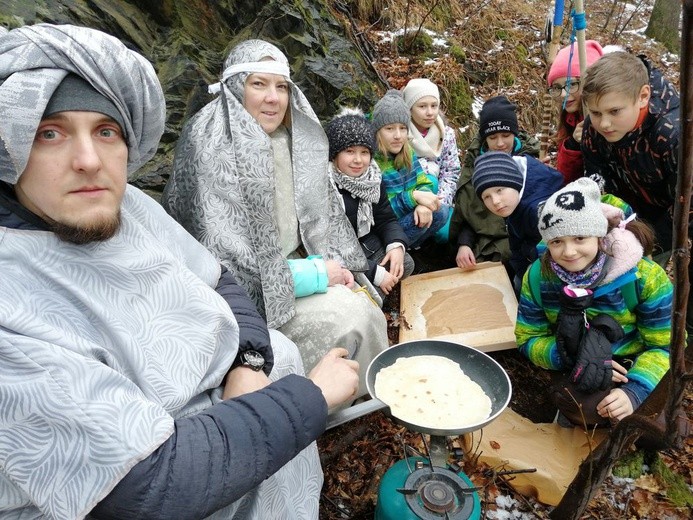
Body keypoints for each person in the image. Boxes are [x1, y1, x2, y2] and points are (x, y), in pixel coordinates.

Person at [0, 24, 360, 520]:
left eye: (106, 132)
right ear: (11, 145)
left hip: (251, 410)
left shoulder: (128, 207)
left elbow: (216, 279)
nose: (88, 161)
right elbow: (144, 488)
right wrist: (309, 399)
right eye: (51, 133)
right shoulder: (11, 305)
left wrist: (251, 362)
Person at [162, 39, 388, 385]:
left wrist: (341, 269)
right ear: (236, 87)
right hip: (251, 304)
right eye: (259, 84)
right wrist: (317, 274)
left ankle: (360, 397)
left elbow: (318, 221)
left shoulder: (292, 140)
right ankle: (324, 402)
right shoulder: (208, 147)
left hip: (300, 266)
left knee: (367, 303)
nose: (273, 97)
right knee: (352, 318)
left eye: (281, 86)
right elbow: (227, 266)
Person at [515, 178, 671, 427]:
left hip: (632, 361)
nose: (569, 252)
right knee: (587, 410)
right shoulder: (537, 277)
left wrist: (635, 391)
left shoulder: (645, 277)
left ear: (599, 236)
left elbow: (665, 345)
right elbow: (528, 337)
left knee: (652, 428)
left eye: (579, 238)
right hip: (572, 361)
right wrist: (569, 355)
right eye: (557, 241)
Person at [579, 50, 691, 333]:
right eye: (595, 113)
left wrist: (651, 244)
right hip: (629, 204)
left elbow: (685, 207)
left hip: (674, 211)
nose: (604, 123)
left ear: (642, 96)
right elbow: (596, 180)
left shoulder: (674, 135)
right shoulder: (598, 130)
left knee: (655, 274)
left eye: (614, 112)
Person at [325, 108, 415, 299]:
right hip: (338, 257)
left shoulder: (372, 179)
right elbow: (329, 245)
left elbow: (385, 217)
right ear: (334, 154)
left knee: (404, 263)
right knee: (365, 294)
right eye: (349, 151)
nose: (358, 160)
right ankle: (371, 295)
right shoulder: (326, 186)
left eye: (364, 152)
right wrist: (375, 273)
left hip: (366, 244)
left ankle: (373, 291)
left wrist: (396, 244)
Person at [450, 95, 540, 270]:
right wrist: (464, 244)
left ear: (515, 133)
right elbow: (467, 215)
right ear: (484, 139)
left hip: (528, 242)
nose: (500, 143)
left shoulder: (531, 163)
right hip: (489, 244)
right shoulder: (474, 167)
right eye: (492, 138)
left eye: (506, 135)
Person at [471, 151, 563, 293]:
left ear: (516, 183)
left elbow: (559, 256)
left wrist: (527, 275)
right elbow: (516, 243)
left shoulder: (539, 213)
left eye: (499, 190)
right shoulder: (513, 204)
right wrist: (520, 271)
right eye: (486, 197)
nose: (495, 201)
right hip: (531, 261)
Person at [371, 89, 450, 249]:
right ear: (377, 131)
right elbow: (379, 215)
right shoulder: (372, 162)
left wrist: (423, 204)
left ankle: (409, 247)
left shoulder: (407, 151)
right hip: (382, 230)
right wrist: (413, 197)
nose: (398, 136)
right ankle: (385, 253)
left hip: (403, 219)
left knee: (441, 212)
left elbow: (423, 182)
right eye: (389, 129)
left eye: (402, 128)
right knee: (433, 213)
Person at [547, 40, 604, 184]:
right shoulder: (569, 119)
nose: (562, 94)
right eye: (556, 87)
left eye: (572, 84)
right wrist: (573, 145)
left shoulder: (610, 119)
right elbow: (565, 179)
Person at [401, 78, 461, 208]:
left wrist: (440, 203)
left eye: (434, 106)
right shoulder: (400, 134)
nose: (430, 112)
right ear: (409, 108)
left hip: (438, 199)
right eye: (422, 106)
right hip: (407, 197)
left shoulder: (446, 134)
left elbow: (451, 171)